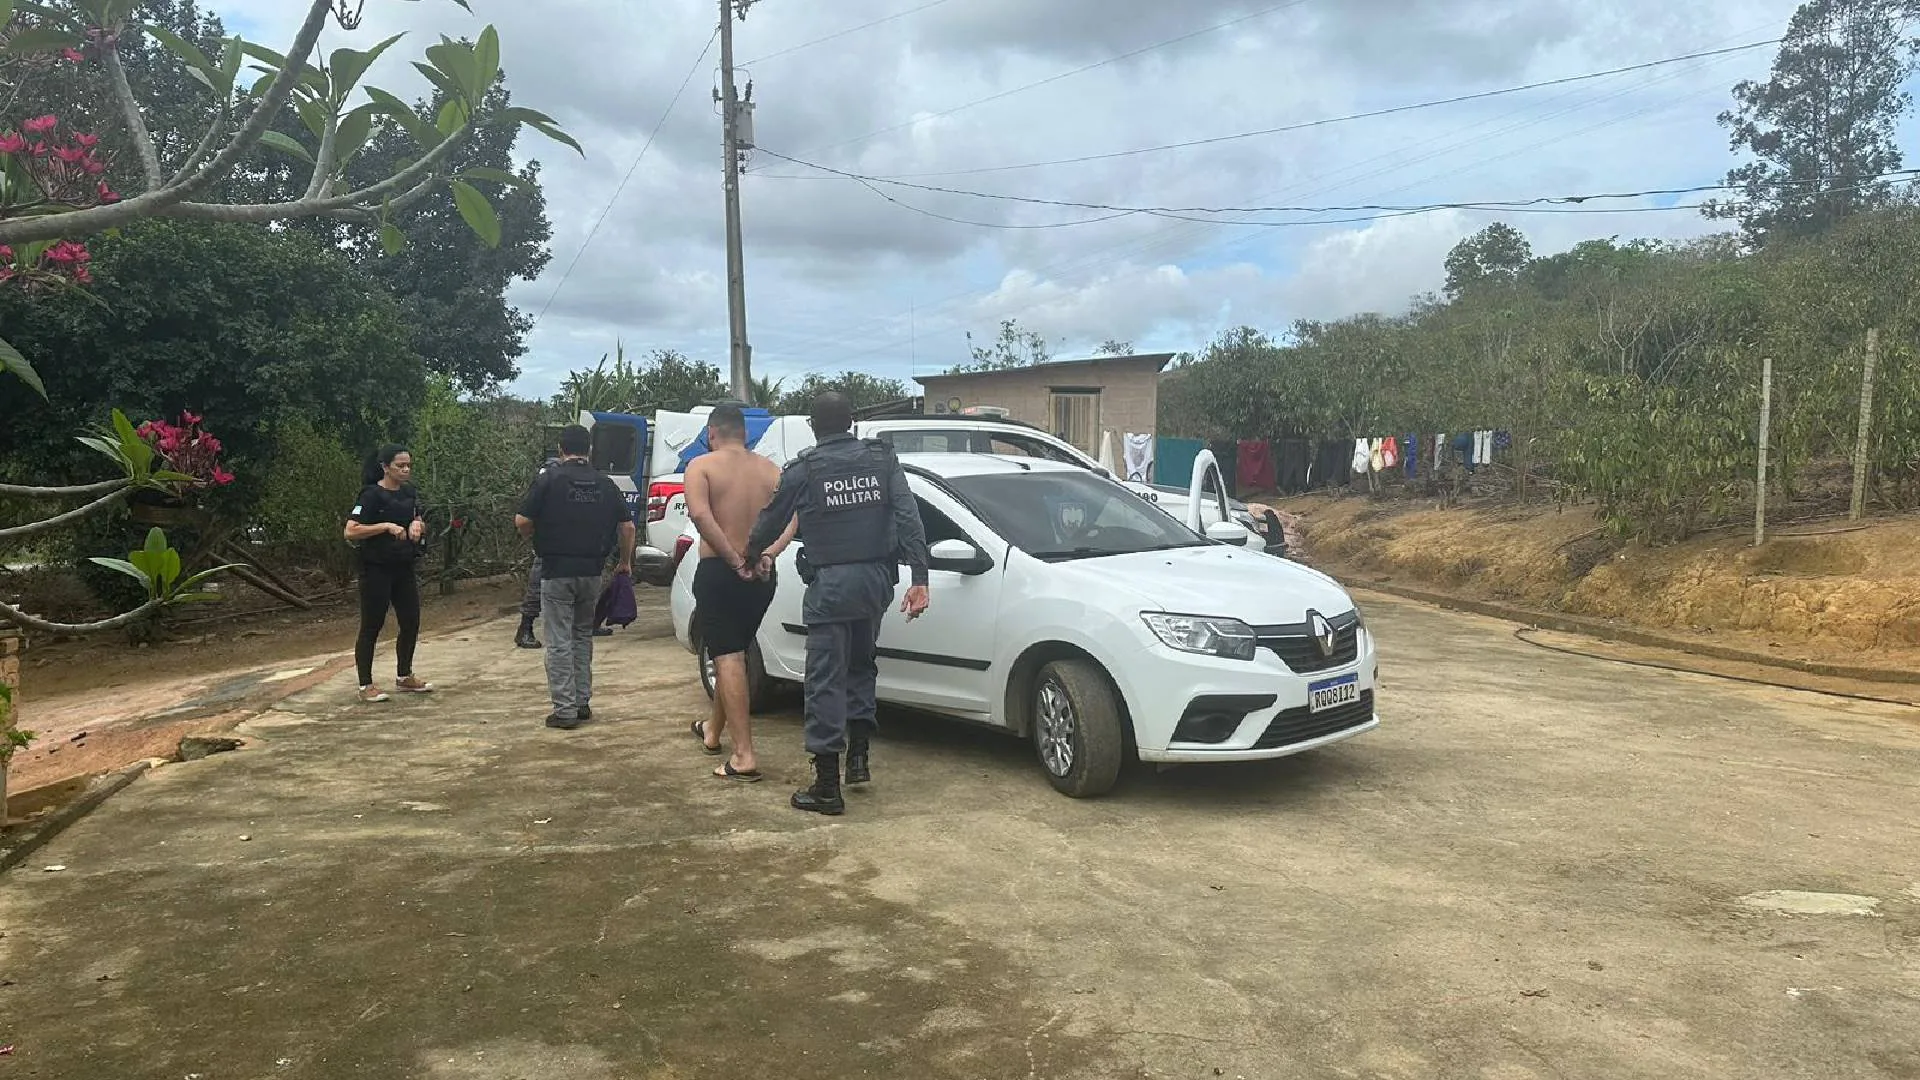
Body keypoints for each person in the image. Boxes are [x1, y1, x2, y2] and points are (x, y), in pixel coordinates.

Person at [743, 392, 930, 815]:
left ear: (814, 426)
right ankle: (859, 758)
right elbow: (908, 517)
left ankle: (827, 785)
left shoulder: (806, 469)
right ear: (850, 423)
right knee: (862, 665)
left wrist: (751, 556)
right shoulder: (882, 459)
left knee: (825, 678)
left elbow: (770, 520)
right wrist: (920, 577)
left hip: (831, 586)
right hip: (877, 582)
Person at [684, 403, 790, 783]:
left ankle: (744, 755)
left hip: (721, 570)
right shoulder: (770, 469)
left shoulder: (702, 466)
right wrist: (767, 553)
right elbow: (794, 515)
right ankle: (713, 732)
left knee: (726, 657)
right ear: (744, 433)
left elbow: (699, 515)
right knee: (736, 653)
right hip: (761, 575)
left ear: (712, 432)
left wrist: (732, 558)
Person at [515, 425, 636, 729]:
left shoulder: (549, 479)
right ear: (590, 450)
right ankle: (582, 702)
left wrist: (536, 537)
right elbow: (628, 527)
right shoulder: (606, 484)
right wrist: (624, 562)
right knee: (582, 635)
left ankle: (565, 710)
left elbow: (522, 520)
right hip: (592, 572)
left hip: (555, 571)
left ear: (560, 449)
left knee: (558, 640)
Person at [343, 444, 434, 703]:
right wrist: (385, 527)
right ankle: (365, 684)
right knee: (372, 624)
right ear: (385, 467)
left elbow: (418, 516)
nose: (405, 470)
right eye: (400, 466)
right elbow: (350, 530)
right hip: (375, 568)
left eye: (408, 466)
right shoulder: (371, 495)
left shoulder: (409, 492)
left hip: (403, 566)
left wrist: (418, 525)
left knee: (411, 620)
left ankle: (404, 675)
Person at [515, 455, 562, 650]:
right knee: (536, 587)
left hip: (567, 545)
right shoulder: (541, 488)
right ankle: (525, 628)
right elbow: (525, 519)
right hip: (547, 545)